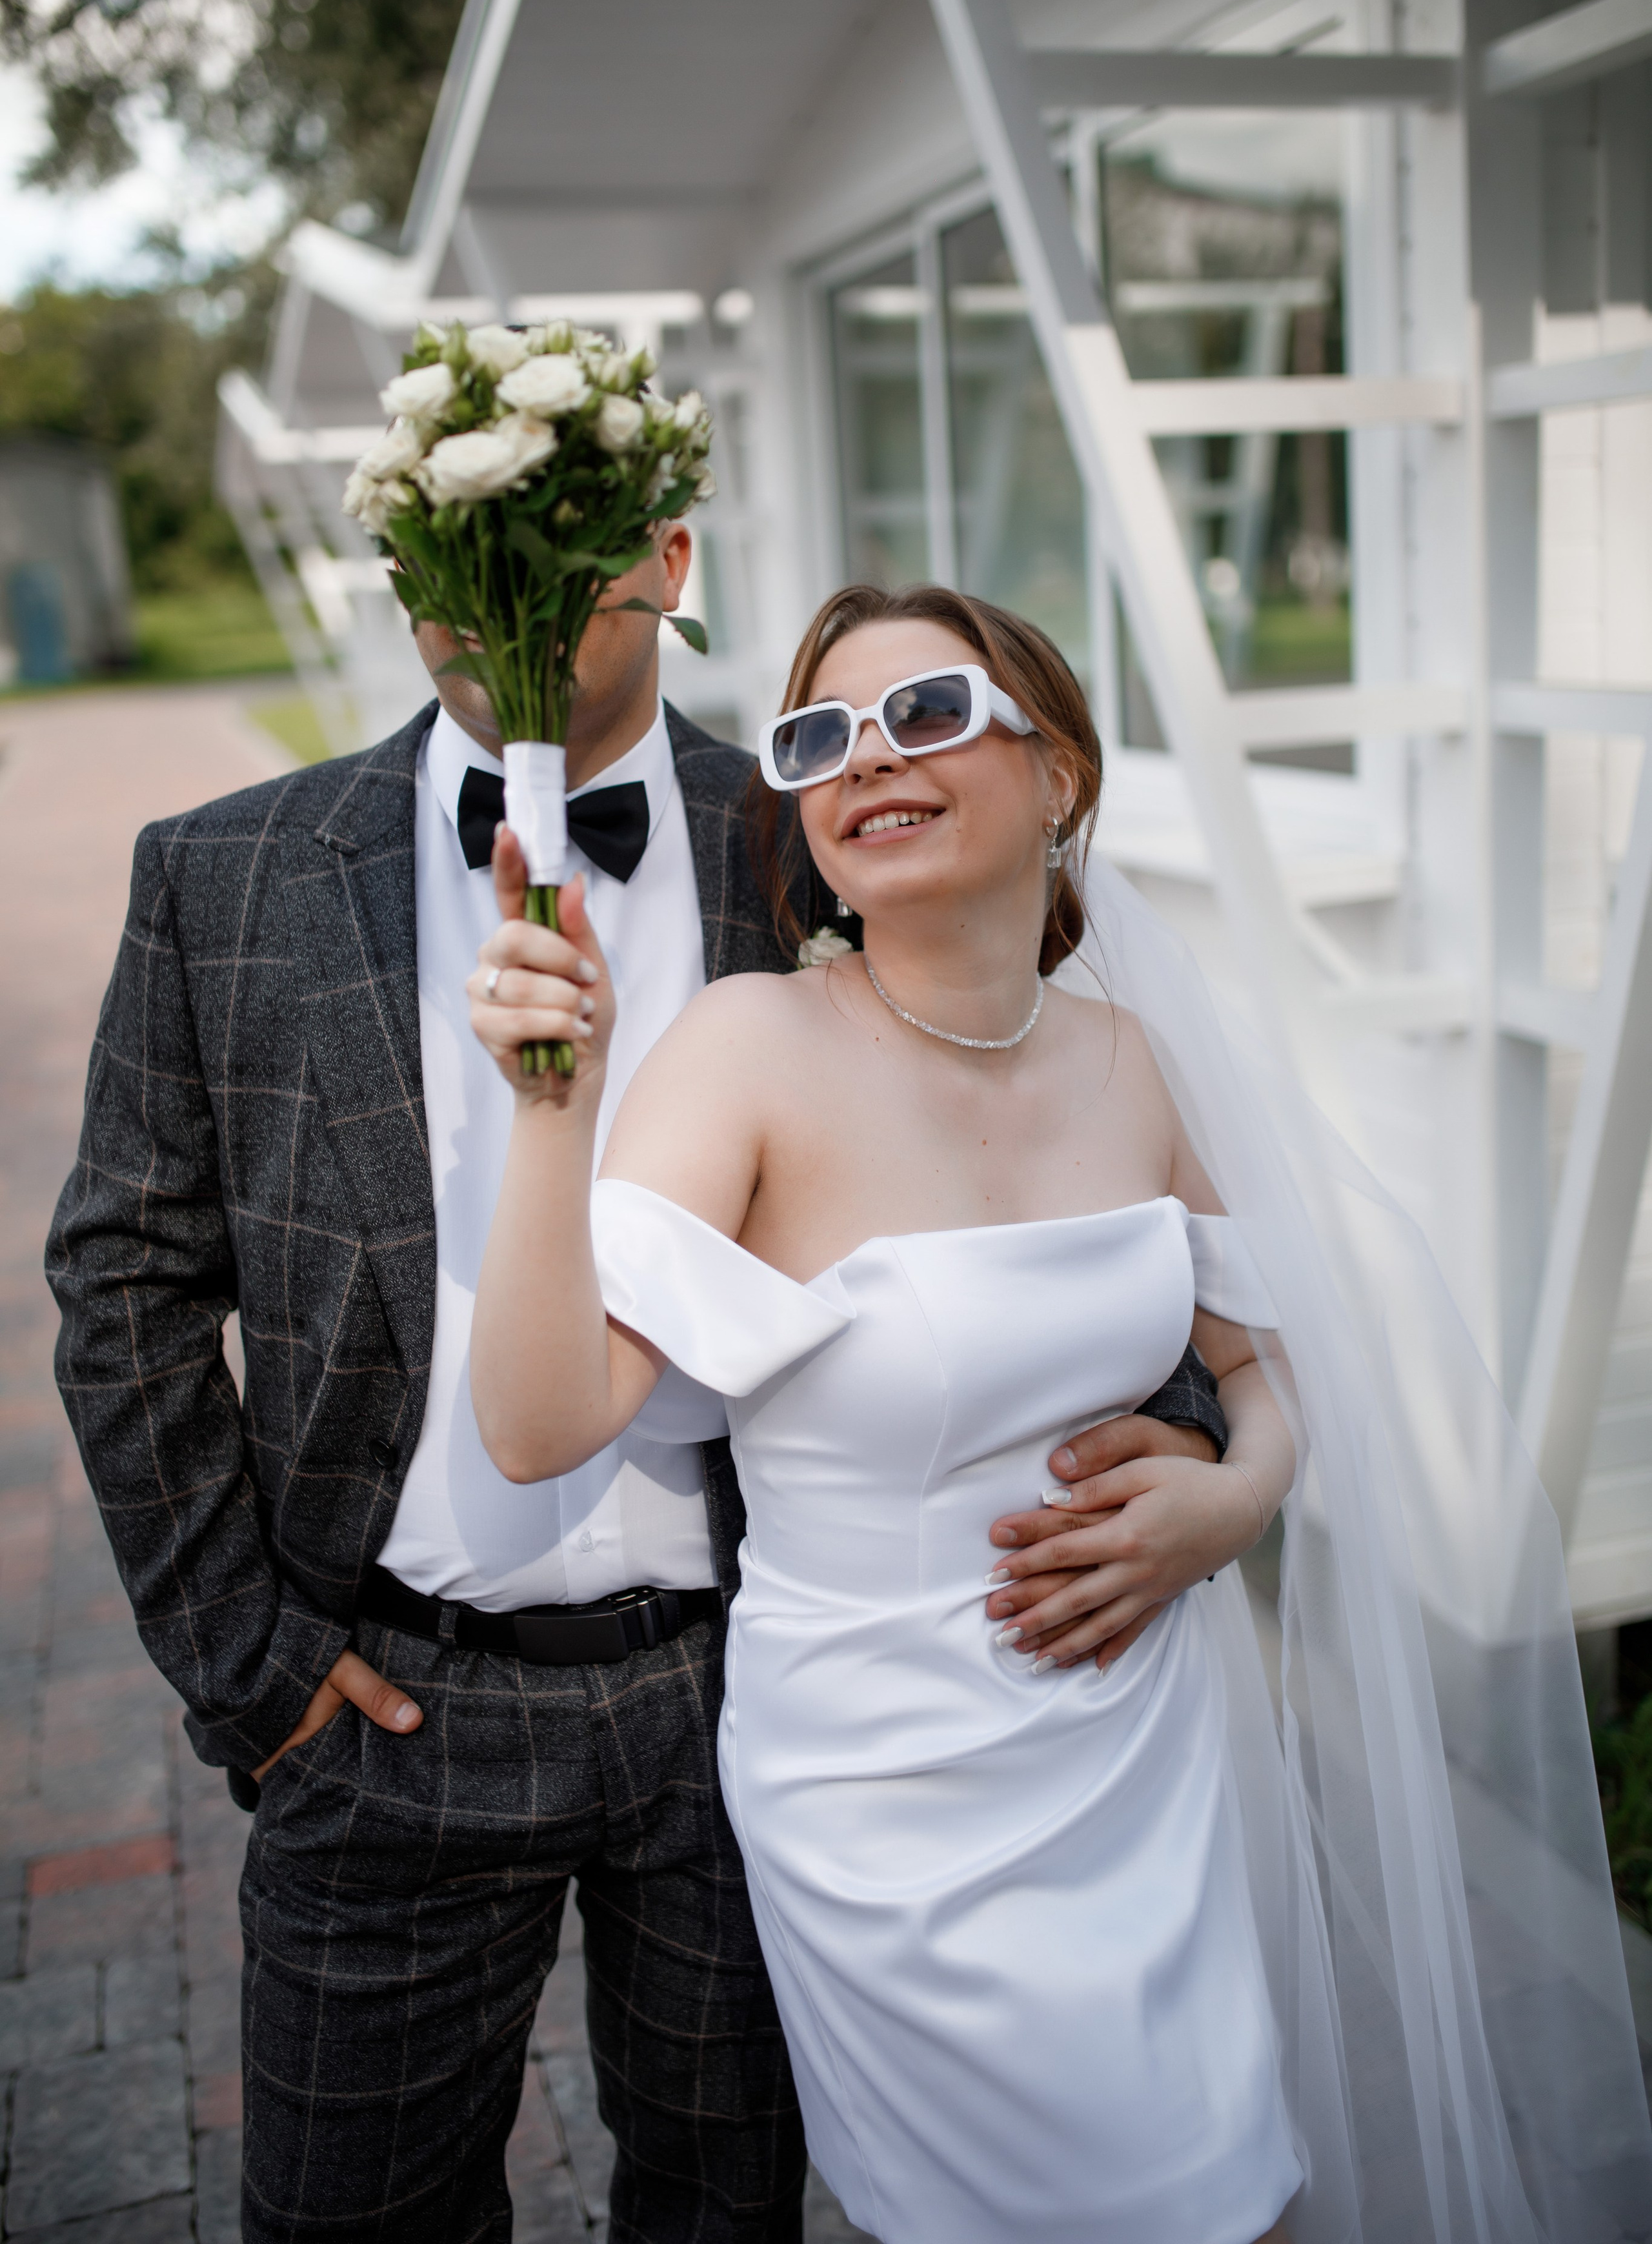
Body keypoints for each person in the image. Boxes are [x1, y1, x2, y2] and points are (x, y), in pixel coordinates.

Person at [46, 527, 1243, 2244]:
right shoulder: (225, 872)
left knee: (724, 2212)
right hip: (381, 1699)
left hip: (752, 1704)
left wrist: (1193, 1459)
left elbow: (1040, 1177)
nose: (497, 588)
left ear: (669, 557)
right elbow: (127, 1284)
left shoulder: (819, 821)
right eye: (443, 541)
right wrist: (255, 1669)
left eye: (555, 536)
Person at [465, 582, 1652, 2244]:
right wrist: (554, 1116)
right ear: (804, 816)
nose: (868, 758)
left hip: (1142, 1756)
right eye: (822, 737)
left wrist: (1236, 1501)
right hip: (885, 1808)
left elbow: (1265, 1368)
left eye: (928, 714)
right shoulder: (748, 1052)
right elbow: (534, 1427)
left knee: (1234, 2190)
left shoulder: (1135, 1065)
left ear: (1060, 771)